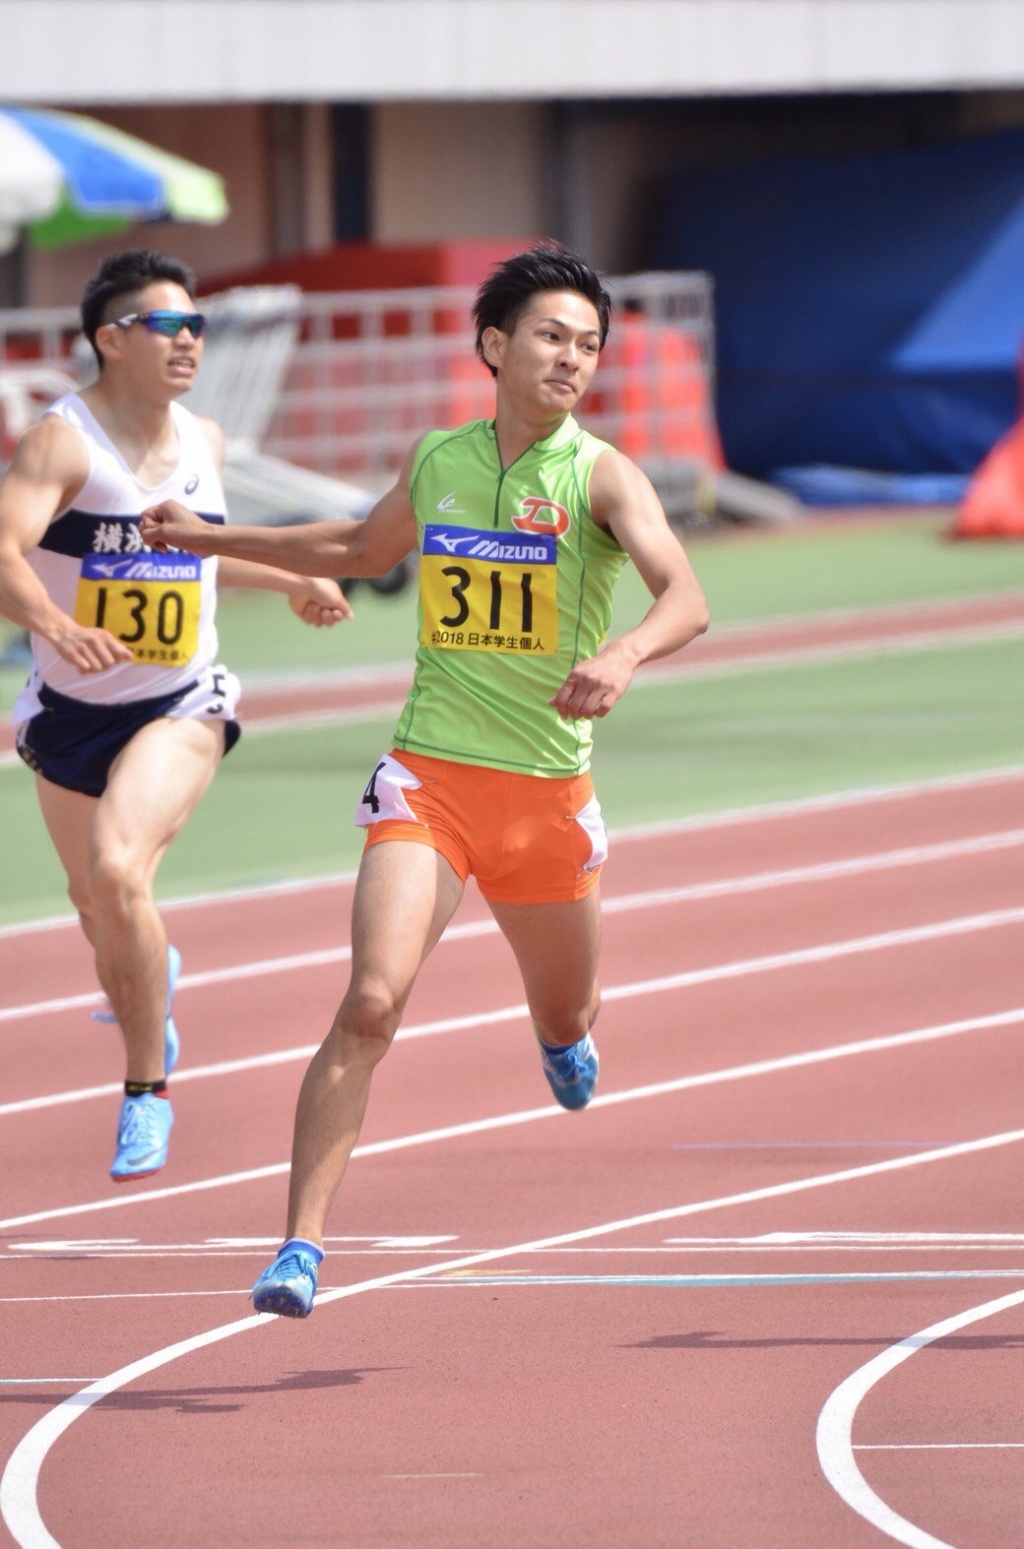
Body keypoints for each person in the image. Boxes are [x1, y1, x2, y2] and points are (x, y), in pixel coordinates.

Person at [140, 241, 710, 1316]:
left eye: (588, 345)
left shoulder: (601, 475)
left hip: (545, 802)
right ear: (493, 345)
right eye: (550, 336)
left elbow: (686, 595)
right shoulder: (440, 457)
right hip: (430, 780)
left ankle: (563, 1037)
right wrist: (214, 539)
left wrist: (623, 653)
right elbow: (360, 546)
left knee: (567, 1004)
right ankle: (299, 1247)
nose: (571, 359)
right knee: (368, 999)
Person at [0, 249, 350, 1185]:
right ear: (112, 340)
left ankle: (145, 1093)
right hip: (70, 711)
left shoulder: (205, 439)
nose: (191, 338)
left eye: (197, 324)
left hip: (181, 700)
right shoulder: (61, 443)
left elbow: (195, 558)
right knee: (99, 905)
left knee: (119, 865)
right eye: (169, 325)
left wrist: (292, 578)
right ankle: (149, 973)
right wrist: (56, 623)